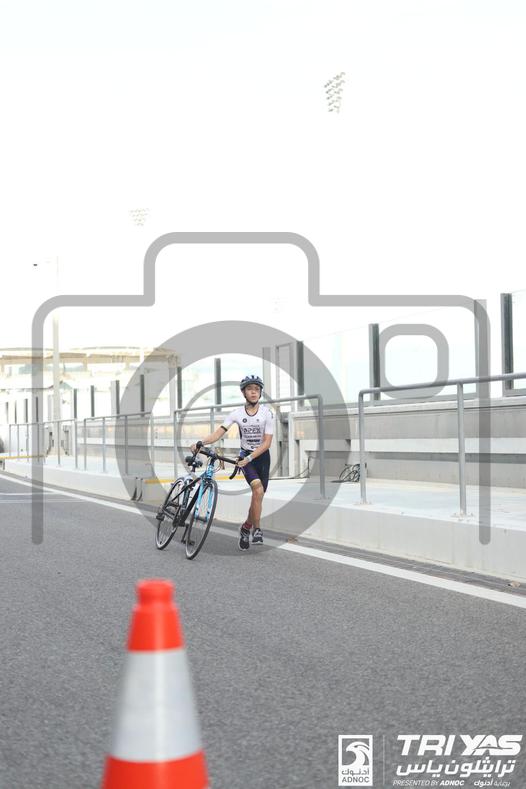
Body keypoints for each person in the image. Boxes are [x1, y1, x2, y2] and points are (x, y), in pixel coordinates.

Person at [190, 374, 274, 550]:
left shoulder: (267, 413)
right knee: (258, 490)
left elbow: (267, 443)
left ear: (260, 393)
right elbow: (218, 433)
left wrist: (251, 458)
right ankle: (257, 530)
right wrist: (201, 443)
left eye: (257, 389)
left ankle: (246, 527)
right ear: (244, 392)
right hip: (245, 457)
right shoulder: (236, 413)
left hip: (262, 457)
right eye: (250, 389)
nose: (253, 392)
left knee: (258, 496)